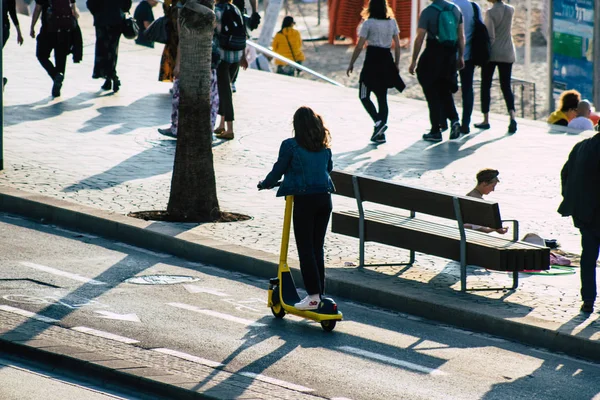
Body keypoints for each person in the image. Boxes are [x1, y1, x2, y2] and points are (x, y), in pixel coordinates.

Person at [257, 106, 335, 310]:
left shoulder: (290, 145)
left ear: (296, 125)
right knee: (317, 247)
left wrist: (265, 183)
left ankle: (313, 297)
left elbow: (279, 169)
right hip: (324, 199)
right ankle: (319, 294)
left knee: (306, 249)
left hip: (304, 200)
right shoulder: (324, 147)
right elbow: (328, 169)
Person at [346, 0, 405, 144]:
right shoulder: (392, 22)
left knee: (363, 95)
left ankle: (378, 122)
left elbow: (360, 46)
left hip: (372, 60)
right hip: (386, 59)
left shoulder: (368, 23)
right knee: (382, 98)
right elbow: (397, 45)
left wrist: (351, 63)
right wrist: (396, 64)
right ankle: (380, 134)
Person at [409, 0, 465, 143]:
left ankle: (435, 130)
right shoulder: (455, 9)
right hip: (451, 55)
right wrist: (461, 56)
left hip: (433, 53)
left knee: (431, 91)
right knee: (445, 90)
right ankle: (454, 121)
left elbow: (419, 38)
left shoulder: (428, 12)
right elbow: (461, 36)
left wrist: (414, 60)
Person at [558, 130, 600, 313]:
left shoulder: (581, 147)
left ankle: (588, 300)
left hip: (585, 215)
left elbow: (565, 175)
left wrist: (572, 202)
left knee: (588, 258)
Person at [473, 0, 517, 133]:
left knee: (486, 85)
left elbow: (490, 36)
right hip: (508, 52)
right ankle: (512, 117)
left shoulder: (490, 13)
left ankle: (486, 119)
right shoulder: (511, 9)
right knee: (506, 86)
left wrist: (483, 54)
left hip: (493, 54)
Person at [213, 0, 247, 141]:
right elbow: (244, 32)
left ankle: (230, 129)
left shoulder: (217, 11)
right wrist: (243, 56)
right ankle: (221, 125)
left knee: (225, 92)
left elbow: (214, 33)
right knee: (225, 91)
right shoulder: (236, 9)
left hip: (223, 56)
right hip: (236, 54)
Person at [30, 0, 79, 98]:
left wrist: (32, 27)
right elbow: (74, 10)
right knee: (61, 58)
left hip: (48, 30)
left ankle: (55, 76)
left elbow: (37, 9)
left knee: (41, 55)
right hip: (65, 30)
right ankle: (57, 84)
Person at [449, 0, 482, 134]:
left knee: (446, 87)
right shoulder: (474, 7)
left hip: (450, 53)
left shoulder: (449, 5)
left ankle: (451, 120)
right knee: (468, 88)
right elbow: (479, 28)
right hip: (469, 55)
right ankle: (465, 123)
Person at [87, 0, 132, 93]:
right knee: (113, 49)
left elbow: (91, 3)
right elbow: (127, 3)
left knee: (103, 49)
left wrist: (96, 12)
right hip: (117, 19)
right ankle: (111, 76)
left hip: (102, 19)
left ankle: (110, 76)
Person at [465, 168, 508, 234]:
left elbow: (470, 226)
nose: (493, 189)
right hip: (471, 236)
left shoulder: (468, 196)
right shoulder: (479, 202)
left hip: (464, 233)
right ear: (484, 183)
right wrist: (496, 229)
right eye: (492, 186)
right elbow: (480, 230)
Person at [3, 0, 24, 90]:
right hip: (4, 29)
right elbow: (12, 13)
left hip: (3, 29)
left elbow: (12, 13)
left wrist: (19, 33)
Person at [159, 0, 179, 83]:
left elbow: (166, 7)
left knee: (173, 55)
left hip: (174, 33)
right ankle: (175, 81)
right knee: (173, 55)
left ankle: (175, 81)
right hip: (174, 33)